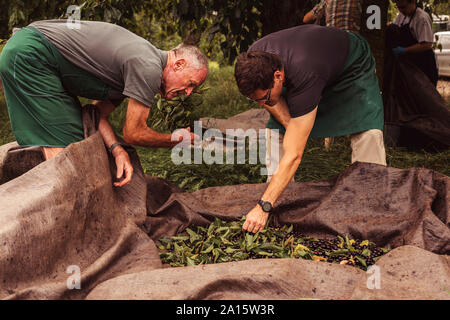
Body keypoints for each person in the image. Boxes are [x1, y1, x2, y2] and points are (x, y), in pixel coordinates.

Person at [0, 20, 208, 187]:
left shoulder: (141, 65)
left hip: (31, 51)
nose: (188, 93)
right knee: (70, 153)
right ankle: (60, 214)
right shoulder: (149, 67)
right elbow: (134, 133)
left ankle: (49, 203)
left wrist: (117, 150)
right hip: (32, 55)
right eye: (190, 84)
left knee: (75, 134)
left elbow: (96, 114)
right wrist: (174, 140)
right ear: (179, 64)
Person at [234, 25, 386, 233]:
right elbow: (277, 109)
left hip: (351, 66)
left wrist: (262, 206)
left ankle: (371, 203)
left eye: (264, 99)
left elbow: (295, 155)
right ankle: (278, 197)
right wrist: (293, 128)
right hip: (313, 66)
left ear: (278, 77)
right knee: (275, 131)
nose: (262, 105)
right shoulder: (255, 59)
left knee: (367, 130)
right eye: (254, 100)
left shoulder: (304, 70)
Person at [389, 0, 438, 85]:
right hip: (410, 66)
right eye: (398, 7)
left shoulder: (422, 18)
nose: (401, 10)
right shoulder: (401, 16)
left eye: (403, 7)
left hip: (424, 66)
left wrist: (405, 50)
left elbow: (427, 44)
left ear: (412, 2)